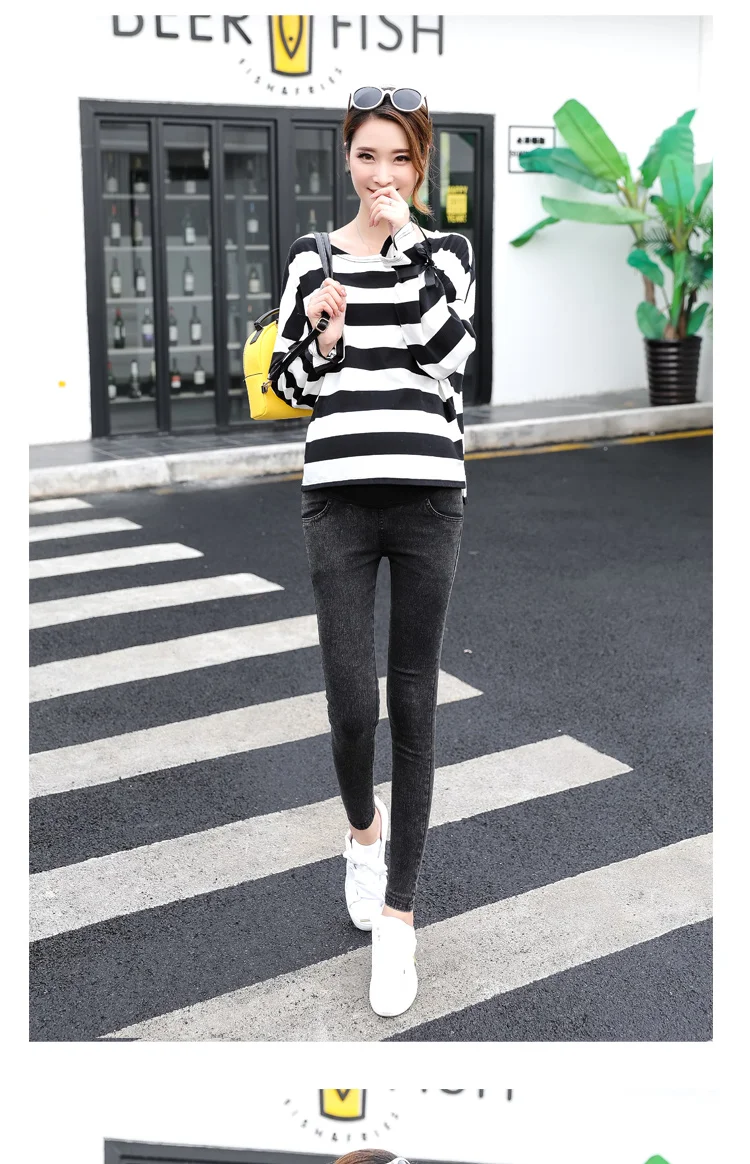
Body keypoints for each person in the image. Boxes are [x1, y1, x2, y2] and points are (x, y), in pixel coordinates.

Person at [269, 84, 477, 1018]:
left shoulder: (448, 253)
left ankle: (399, 919)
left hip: (428, 501)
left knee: (416, 706)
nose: (381, 174)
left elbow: (450, 355)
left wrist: (405, 247)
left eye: (399, 158)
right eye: (367, 156)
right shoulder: (311, 257)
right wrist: (324, 333)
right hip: (339, 505)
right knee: (354, 708)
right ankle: (363, 834)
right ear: (346, 159)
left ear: (420, 165)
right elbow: (290, 386)